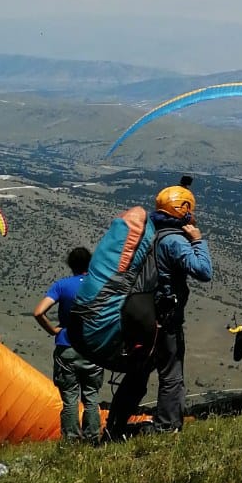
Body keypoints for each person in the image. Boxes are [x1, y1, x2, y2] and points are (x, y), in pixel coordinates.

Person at [105, 184, 212, 439]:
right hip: (164, 322)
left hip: (139, 317)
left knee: (137, 374)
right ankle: (166, 427)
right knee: (171, 374)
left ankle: (115, 427)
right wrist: (197, 239)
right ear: (183, 209)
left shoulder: (146, 235)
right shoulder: (174, 240)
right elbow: (203, 271)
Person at [33, 245, 104, 443]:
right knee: (91, 397)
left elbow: (39, 312)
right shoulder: (100, 284)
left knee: (70, 399)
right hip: (94, 348)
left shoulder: (61, 286)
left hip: (67, 346)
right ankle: (92, 439)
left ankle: (71, 441)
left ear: (70, 265)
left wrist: (53, 330)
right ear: (90, 263)